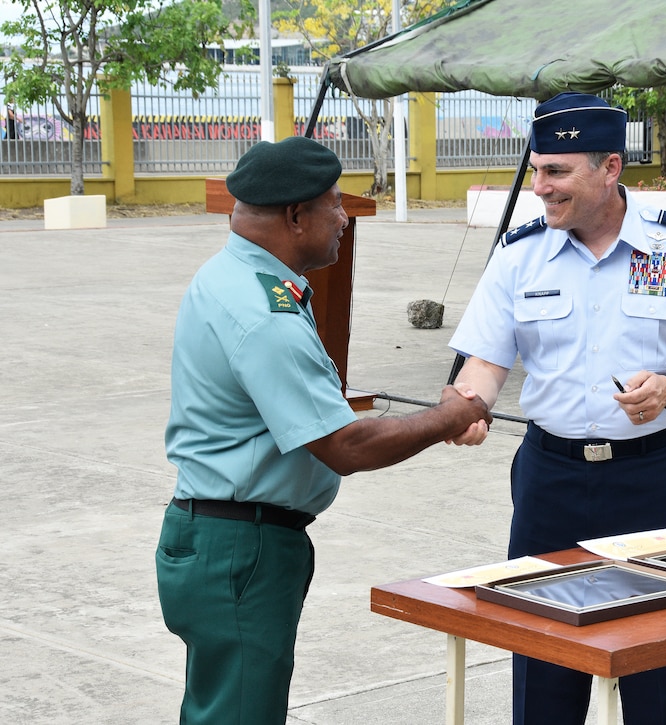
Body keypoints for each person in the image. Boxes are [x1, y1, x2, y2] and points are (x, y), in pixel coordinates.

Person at [448, 93, 666, 725]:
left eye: (556, 172)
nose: (540, 187)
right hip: (550, 480)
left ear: (610, 168)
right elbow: (482, 363)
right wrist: (466, 408)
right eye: (537, 169)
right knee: (543, 659)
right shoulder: (520, 254)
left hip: (654, 477)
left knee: (660, 660)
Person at [156, 135, 491, 725]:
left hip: (221, 535)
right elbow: (343, 445)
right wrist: (450, 416)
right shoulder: (264, 314)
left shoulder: (232, 274)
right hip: (241, 547)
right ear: (294, 216)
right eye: (334, 204)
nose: (344, 217)